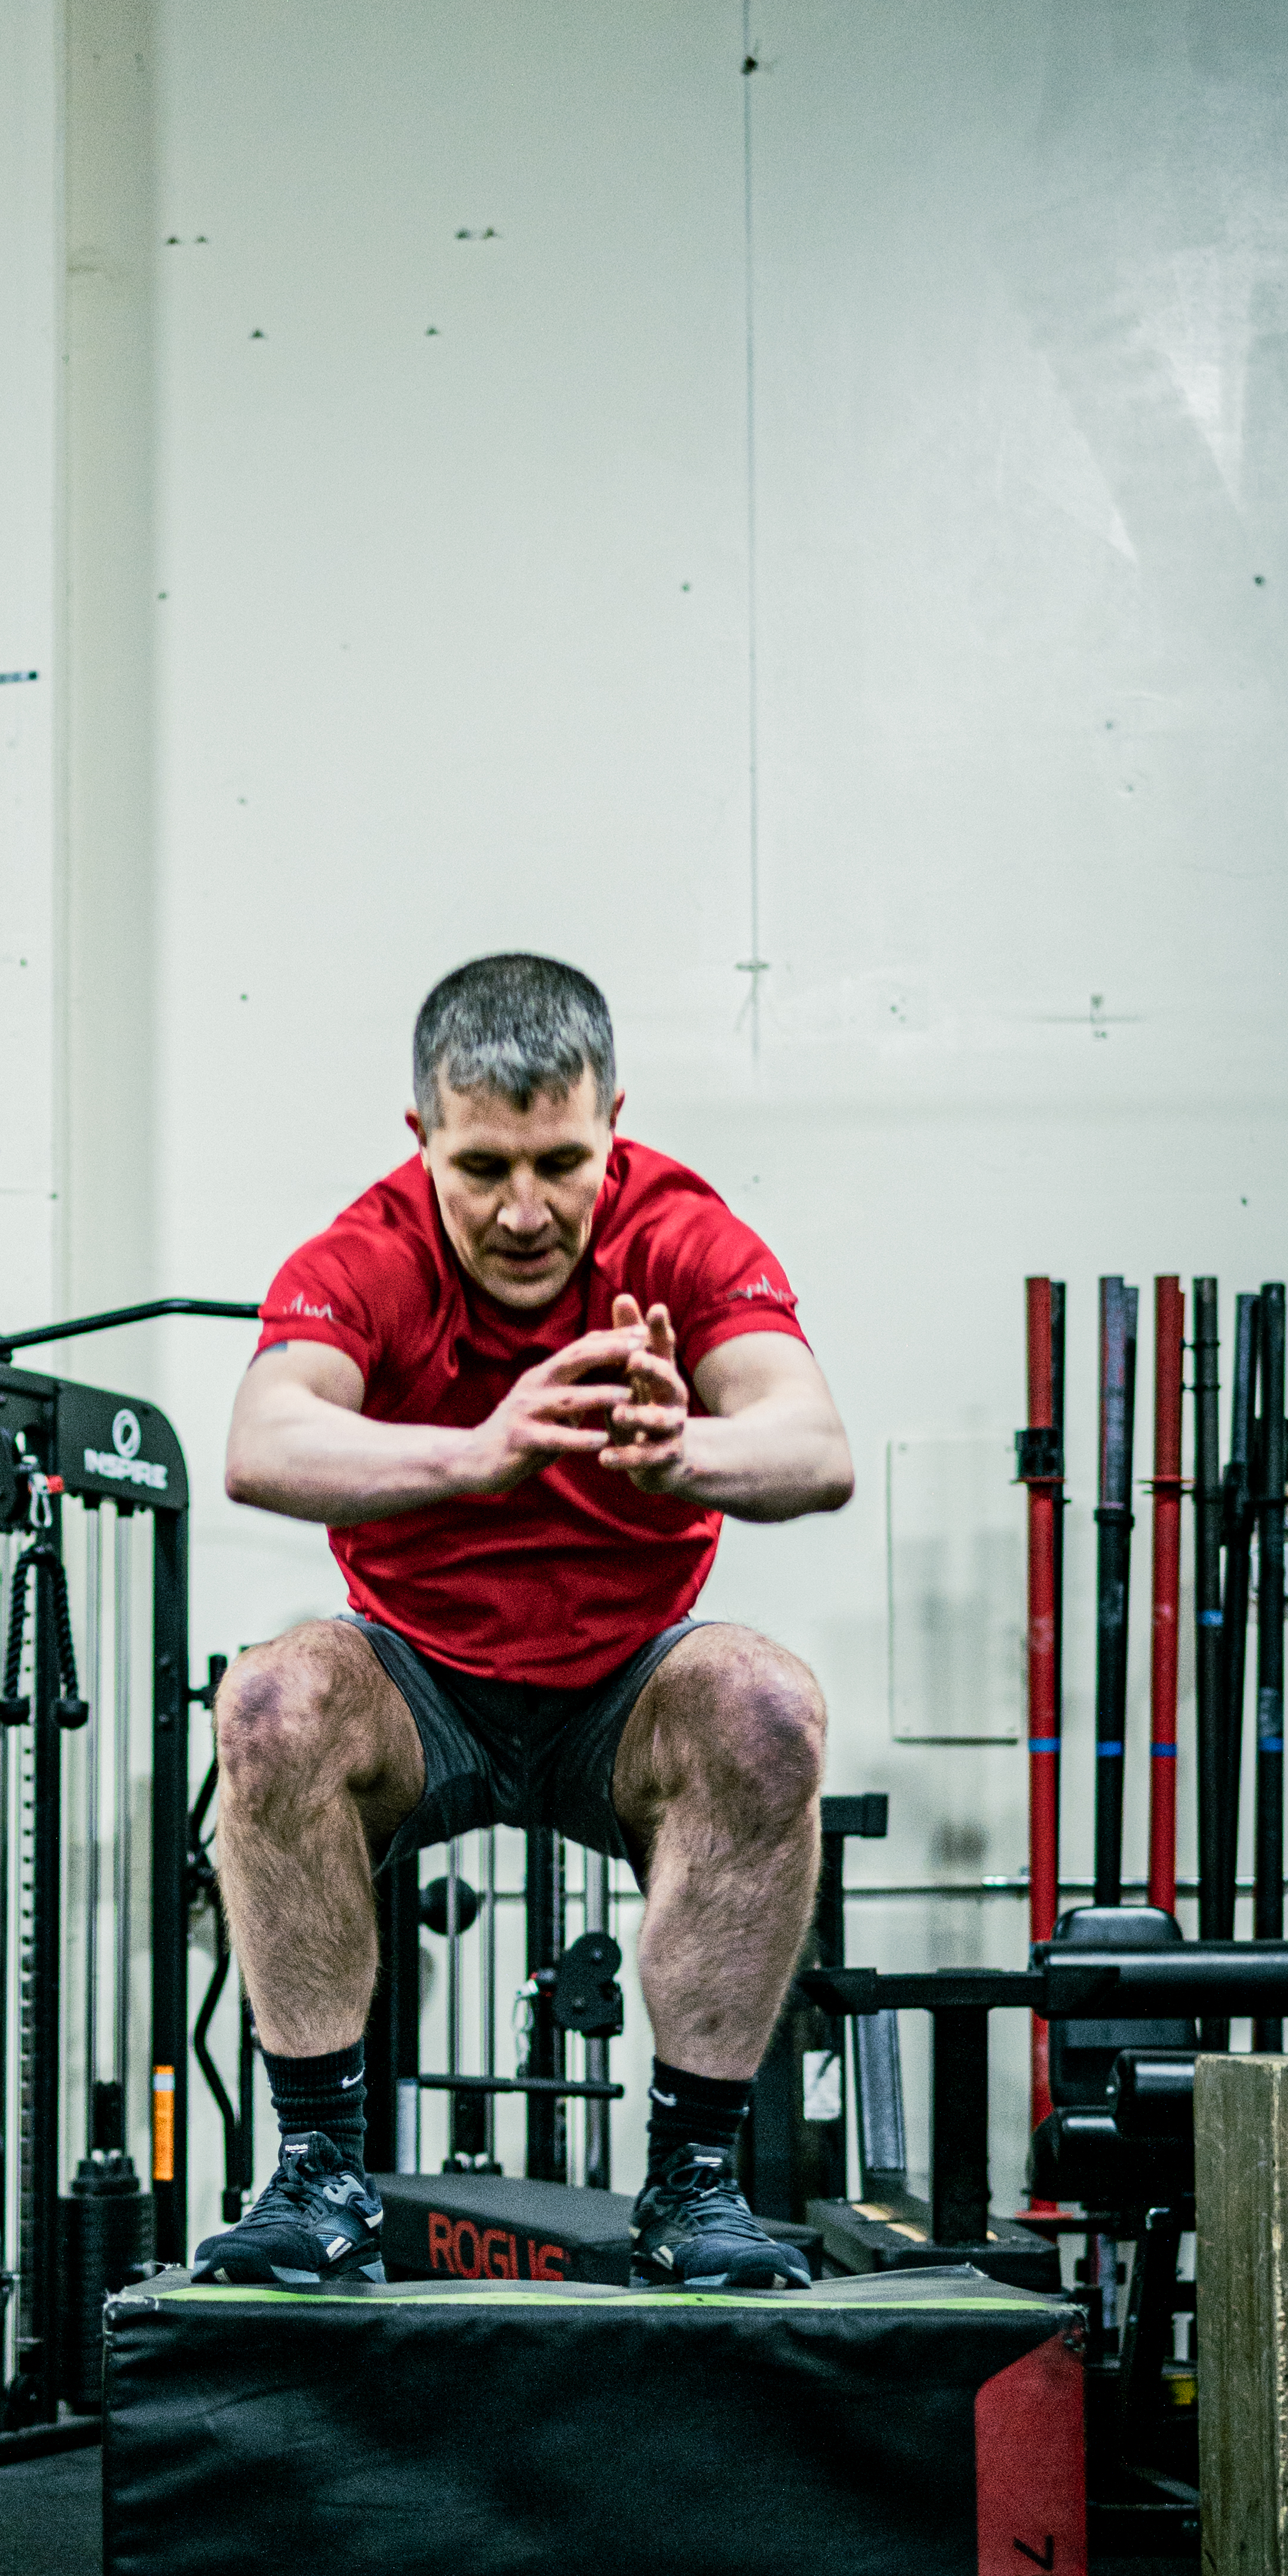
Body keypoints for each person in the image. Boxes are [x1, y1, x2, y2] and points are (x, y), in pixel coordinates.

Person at [195, 951, 854, 2297]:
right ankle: (321, 2177)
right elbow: (261, 1441)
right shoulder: (365, 1252)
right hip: (415, 1682)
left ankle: (696, 2189)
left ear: (614, 1122)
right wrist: (480, 1452)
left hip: (621, 1690)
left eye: (559, 1163)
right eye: (481, 1168)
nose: (522, 1212)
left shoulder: (679, 1232)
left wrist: (687, 1457)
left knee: (765, 1705)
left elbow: (813, 1445)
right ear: (420, 1138)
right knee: (269, 1703)